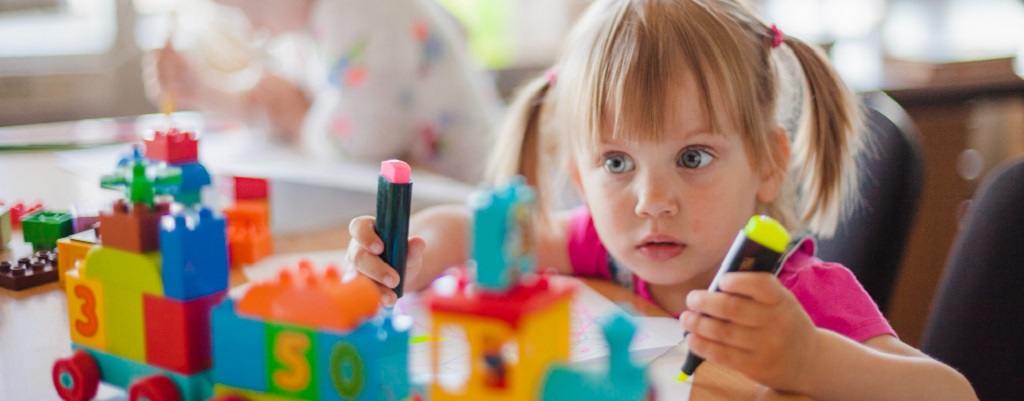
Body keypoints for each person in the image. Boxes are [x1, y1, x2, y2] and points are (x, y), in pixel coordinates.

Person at [347, 0, 977, 399]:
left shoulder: (797, 293)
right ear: (580, 175)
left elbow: (950, 393)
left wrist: (810, 359)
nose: (652, 201)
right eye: (617, 163)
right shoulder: (608, 247)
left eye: (693, 158)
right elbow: (473, 232)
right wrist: (413, 251)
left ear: (767, 162)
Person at [144, 0, 502, 184]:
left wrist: (299, 122)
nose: (252, 27)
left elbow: (359, 143)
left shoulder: (356, 13)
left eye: (247, 8)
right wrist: (200, 90)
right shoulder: (314, 23)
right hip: (436, 195)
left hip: (468, 194)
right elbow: (277, 99)